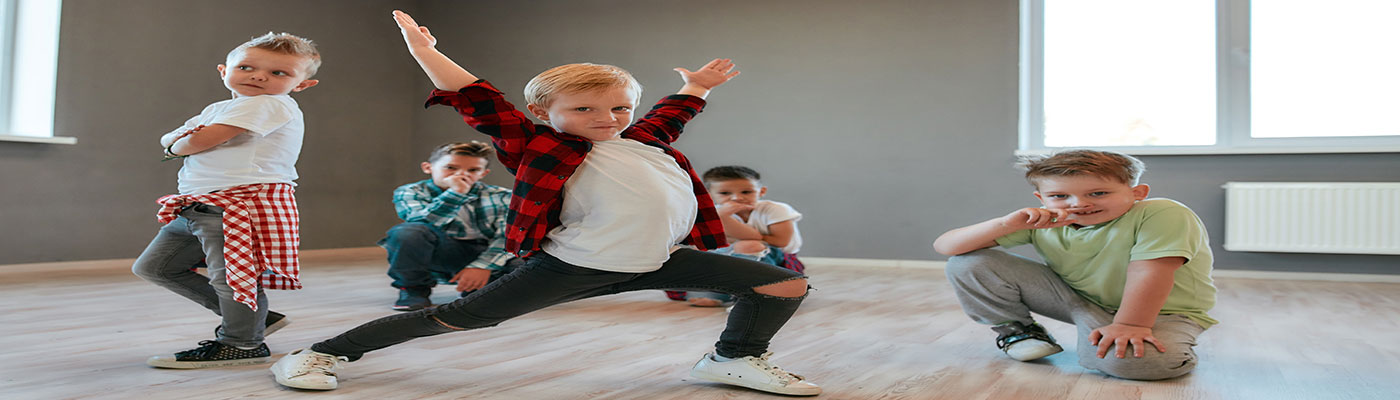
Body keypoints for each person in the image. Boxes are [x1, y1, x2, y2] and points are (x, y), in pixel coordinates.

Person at [268, 11, 819, 396]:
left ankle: (733, 357)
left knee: (783, 282)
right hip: (572, 265)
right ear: (544, 112)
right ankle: (322, 352)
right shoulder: (541, 144)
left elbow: (674, 110)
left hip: (656, 260)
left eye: (619, 108)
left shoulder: (645, 140)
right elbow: (482, 102)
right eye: (585, 109)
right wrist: (427, 54)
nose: (606, 120)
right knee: (457, 320)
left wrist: (698, 87)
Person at [932, 149, 1216, 380]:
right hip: (1082, 301)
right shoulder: (1045, 220)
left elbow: (1150, 270)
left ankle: (1173, 347)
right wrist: (1005, 224)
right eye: (1059, 196)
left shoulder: (1162, 213)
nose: (1078, 204)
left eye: (1098, 193)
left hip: (1163, 313)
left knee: (1137, 365)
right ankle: (1019, 333)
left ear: (1137, 192)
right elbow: (946, 246)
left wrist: (1130, 325)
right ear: (1041, 198)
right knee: (968, 261)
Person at [131, 32, 321, 368]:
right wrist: (177, 140)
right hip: (198, 203)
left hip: (237, 203)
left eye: (280, 73)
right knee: (157, 267)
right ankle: (254, 320)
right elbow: (174, 136)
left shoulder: (270, 104)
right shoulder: (222, 107)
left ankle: (242, 343)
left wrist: (177, 144)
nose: (259, 76)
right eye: (247, 67)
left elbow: (195, 140)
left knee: (233, 276)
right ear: (224, 71)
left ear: (301, 85)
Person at [383, 141, 522, 311]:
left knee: (522, 265)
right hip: (440, 251)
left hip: (484, 252)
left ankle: (481, 288)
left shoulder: (502, 196)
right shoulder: (411, 191)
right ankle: (413, 290)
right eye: (450, 167)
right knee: (407, 233)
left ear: (483, 173)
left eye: (473, 170)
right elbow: (421, 221)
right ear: (428, 168)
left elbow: (508, 237)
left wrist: (482, 266)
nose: (461, 174)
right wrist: (455, 194)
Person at [674, 165, 805, 307]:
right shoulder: (711, 213)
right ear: (710, 194)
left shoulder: (775, 210)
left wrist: (724, 218)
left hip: (776, 260)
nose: (737, 198)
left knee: (748, 245)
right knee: (697, 255)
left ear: (761, 192)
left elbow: (780, 241)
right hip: (731, 258)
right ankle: (724, 292)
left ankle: (755, 293)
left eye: (747, 192)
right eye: (725, 193)